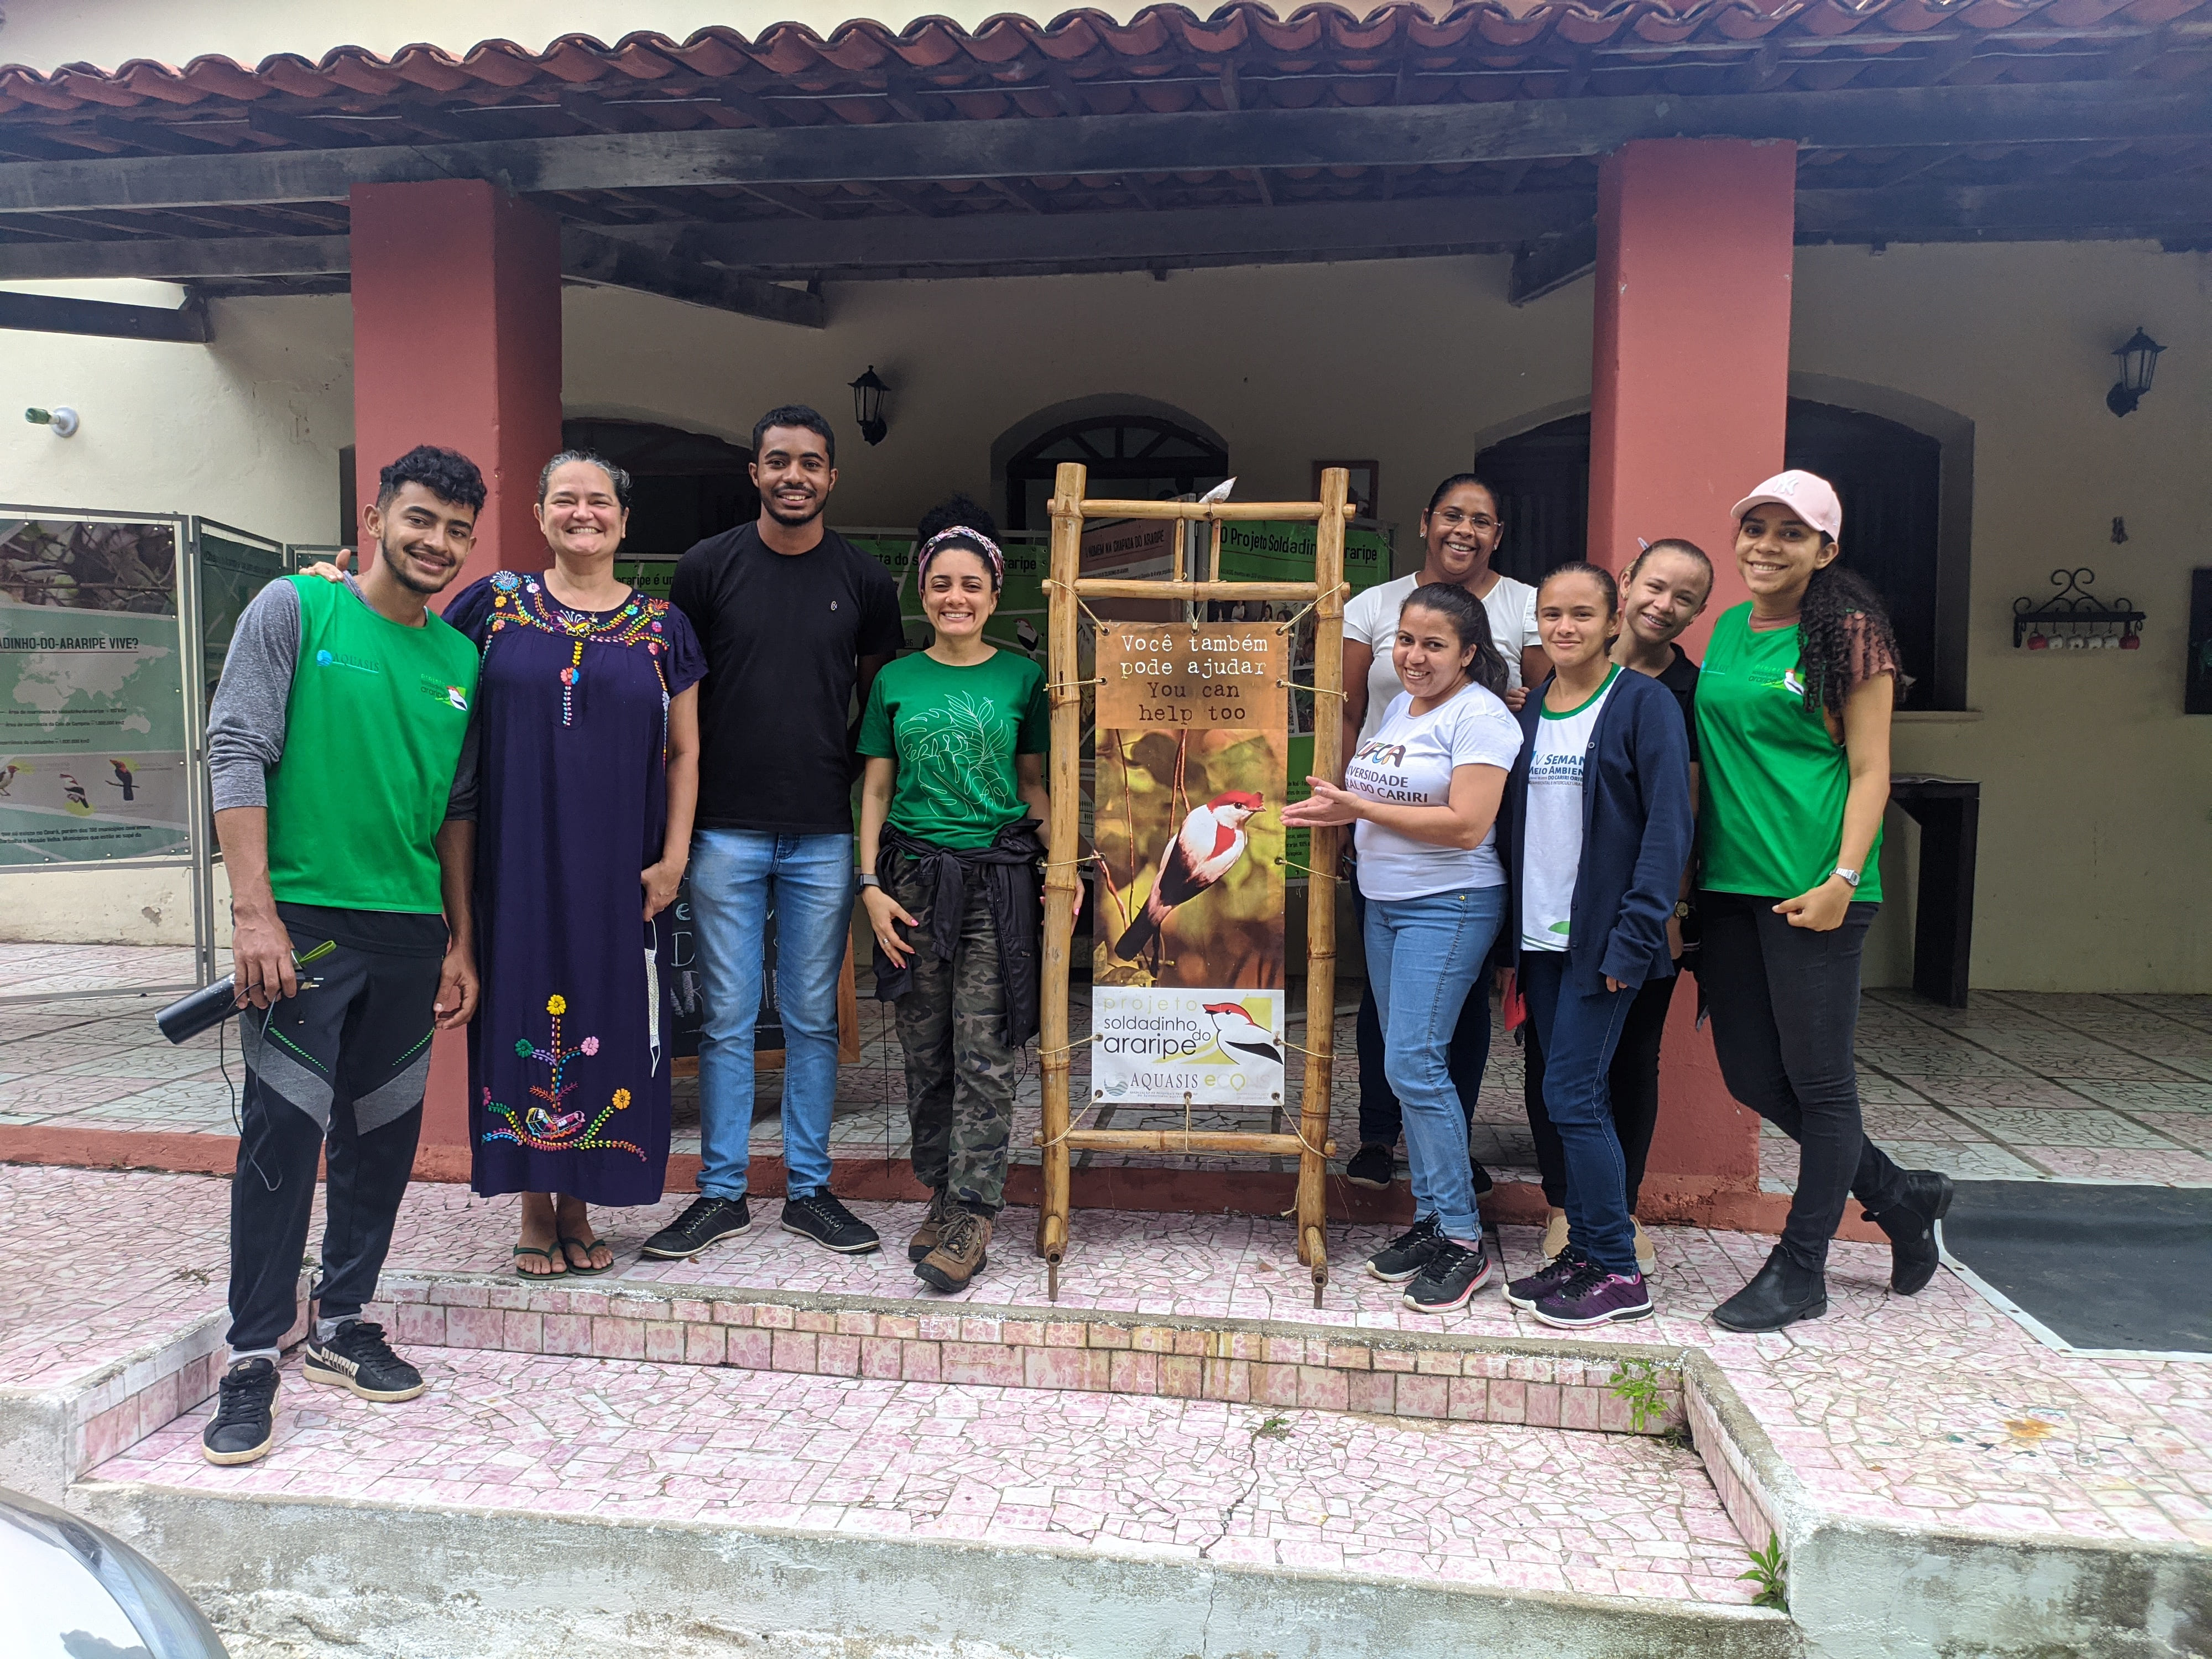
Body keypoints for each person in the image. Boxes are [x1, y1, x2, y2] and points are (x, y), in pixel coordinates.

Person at [198, 446, 484, 1466]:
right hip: (305, 921)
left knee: (383, 1138)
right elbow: (236, 749)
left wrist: (460, 943)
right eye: (420, 520)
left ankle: (345, 1321)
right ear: (375, 516)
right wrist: (254, 913)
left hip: (409, 933)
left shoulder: (461, 662)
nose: (437, 543)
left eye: (457, 529)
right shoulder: (296, 609)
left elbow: (456, 812)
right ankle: (249, 1358)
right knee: (281, 1139)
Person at [1695, 471, 1953, 1332]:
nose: (1766, 546)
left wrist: (1844, 880)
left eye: (1791, 534)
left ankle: (1802, 1267)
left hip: (1817, 888)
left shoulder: (1849, 634)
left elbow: (1873, 769)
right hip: (1730, 886)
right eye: (1755, 528)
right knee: (1750, 1073)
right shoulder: (1729, 627)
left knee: (1822, 1085)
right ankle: (1900, 1197)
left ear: (1825, 550)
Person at [648, 406, 904, 1262]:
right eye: (778, 462)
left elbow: (879, 714)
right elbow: (678, 705)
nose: (795, 476)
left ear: (834, 478)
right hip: (724, 828)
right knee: (723, 1017)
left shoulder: (866, 582)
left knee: (811, 1019)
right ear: (754, 473)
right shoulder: (707, 569)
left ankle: (809, 1189)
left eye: (811, 464)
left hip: (824, 832)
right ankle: (720, 1193)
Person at [440, 452, 704, 1274]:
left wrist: (673, 860)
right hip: (514, 855)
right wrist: (338, 596)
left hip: (620, 866)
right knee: (519, 1007)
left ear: (624, 521)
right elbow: (423, 674)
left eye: (599, 502)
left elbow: (686, 754)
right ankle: (531, 1205)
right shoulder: (493, 606)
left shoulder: (665, 626)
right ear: (540, 513)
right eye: (565, 500)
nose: (582, 513)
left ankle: (582, 1204)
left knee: (610, 1012)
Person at [1287, 583, 1522, 1314]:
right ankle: (1429, 1219)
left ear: (1469, 653)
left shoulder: (1481, 717)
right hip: (1386, 905)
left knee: (1415, 1064)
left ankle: (1461, 1239)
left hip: (1448, 903)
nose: (1415, 657)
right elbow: (1381, 797)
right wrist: (1339, 813)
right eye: (1407, 641)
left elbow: (1465, 826)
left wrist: (1357, 807)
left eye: (1434, 645)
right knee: (1406, 1061)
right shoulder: (1398, 707)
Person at [856, 497, 1052, 1292]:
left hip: (996, 884)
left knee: (986, 1050)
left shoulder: (1023, 678)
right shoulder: (894, 679)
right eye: (940, 584)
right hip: (907, 881)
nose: (955, 598)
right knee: (923, 1050)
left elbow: (1034, 787)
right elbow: (874, 790)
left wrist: (1068, 862)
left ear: (995, 594)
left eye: (971, 585)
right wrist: (868, 884)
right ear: (922, 591)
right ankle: (941, 1186)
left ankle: (973, 1211)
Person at [1497, 564, 1692, 1328]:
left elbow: (1667, 830)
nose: (1565, 628)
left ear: (1614, 622)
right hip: (1540, 942)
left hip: (1606, 944)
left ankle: (1617, 1267)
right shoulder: (1532, 710)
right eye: (1552, 614)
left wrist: (1633, 940)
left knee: (1576, 1097)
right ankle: (1584, 1248)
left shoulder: (1642, 704)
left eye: (1583, 614)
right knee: (1560, 1092)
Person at [1338, 476, 1544, 1196]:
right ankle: (1377, 1135)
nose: (1464, 529)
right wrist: (1341, 805)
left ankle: (1448, 1176)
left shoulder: (1520, 608)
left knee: (1453, 1010)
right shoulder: (1373, 609)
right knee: (1390, 1011)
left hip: (1462, 848)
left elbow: (1551, 711)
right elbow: (1347, 710)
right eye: (1452, 515)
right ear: (1426, 521)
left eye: (1481, 520)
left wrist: (1520, 702)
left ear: (1498, 533)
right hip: (1382, 842)